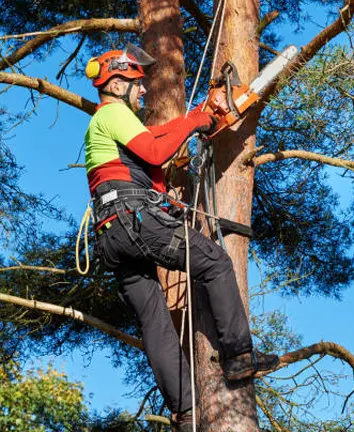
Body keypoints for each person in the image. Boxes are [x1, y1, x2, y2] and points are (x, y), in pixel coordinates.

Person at [84, 44, 279, 431]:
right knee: (215, 263)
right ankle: (239, 356)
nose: (143, 92)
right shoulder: (113, 114)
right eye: (137, 85)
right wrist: (194, 119)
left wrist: (200, 119)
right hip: (133, 221)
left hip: (111, 235)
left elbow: (154, 141)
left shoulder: (112, 127)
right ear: (118, 83)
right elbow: (156, 151)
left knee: (154, 320)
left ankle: (186, 412)